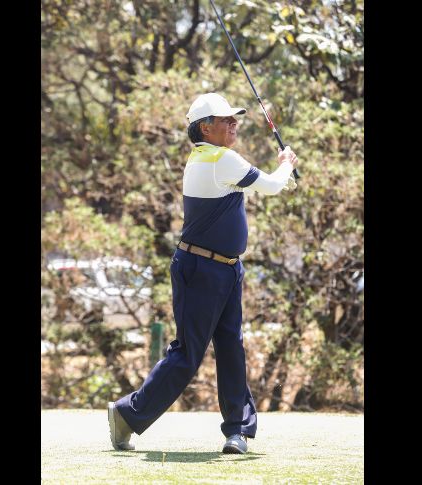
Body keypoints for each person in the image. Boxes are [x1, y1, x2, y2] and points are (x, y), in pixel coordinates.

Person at [108, 92, 299, 454]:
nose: (234, 124)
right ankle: (127, 414)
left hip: (226, 268)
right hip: (202, 268)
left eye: (234, 118)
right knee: (187, 355)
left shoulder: (209, 157)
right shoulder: (218, 160)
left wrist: (281, 170)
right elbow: (273, 185)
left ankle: (237, 431)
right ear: (205, 128)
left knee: (231, 347)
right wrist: (286, 161)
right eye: (226, 119)